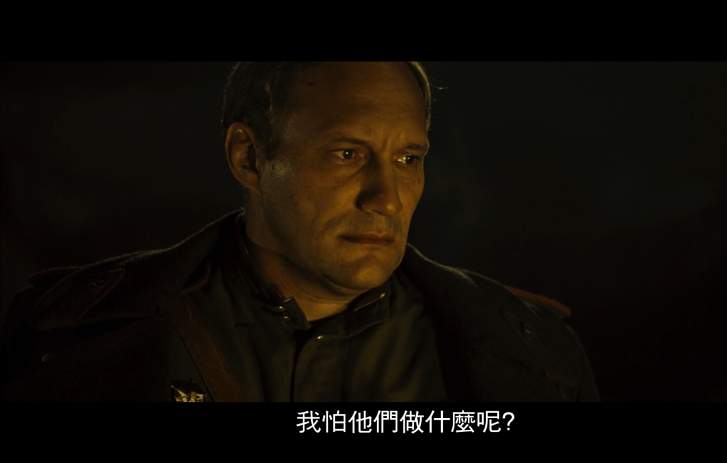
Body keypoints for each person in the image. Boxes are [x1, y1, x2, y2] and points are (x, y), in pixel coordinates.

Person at [0, 62, 598, 402]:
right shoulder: (70, 334)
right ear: (249, 158)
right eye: (347, 154)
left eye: (408, 159)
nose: (386, 198)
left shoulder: (529, 351)